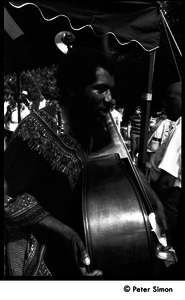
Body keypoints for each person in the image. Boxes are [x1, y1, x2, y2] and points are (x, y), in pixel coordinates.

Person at [4, 47, 169, 278]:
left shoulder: (90, 129)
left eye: (111, 90)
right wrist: (64, 232)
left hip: (70, 245)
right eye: (100, 89)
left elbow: (121, 160)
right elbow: (8, 199)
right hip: (31, 251)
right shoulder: (35, 130)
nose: (111, 100)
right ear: (72, 89)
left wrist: (155, 202)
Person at [149, 82, 183, 274]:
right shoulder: (176, 125)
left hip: (167, 199)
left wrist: (150, 200)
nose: (166, 105)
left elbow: (167, 180)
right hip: (171, 198)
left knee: (159, 247)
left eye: (171, 100)